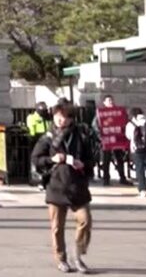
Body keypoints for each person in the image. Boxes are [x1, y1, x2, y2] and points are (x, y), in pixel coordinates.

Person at [32, 103, 95, 274]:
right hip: (56, 185)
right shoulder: (48, 137)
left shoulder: (80, 135)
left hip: (77, 186)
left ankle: (78, 255)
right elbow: (36, 158)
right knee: (57, 227)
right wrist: (52, 159)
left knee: (85, 220)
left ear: (71, 118)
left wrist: (83, 164)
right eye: (58, 116)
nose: (61, 120)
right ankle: (61, 258)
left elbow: (91, 159)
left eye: (65, 117)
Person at [94, 96, 131, 186]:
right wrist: (100, 136)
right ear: (104, 103)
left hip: (117, 140)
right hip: (106, 140)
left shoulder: (119, 112)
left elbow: (125, 122)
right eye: (108, 100)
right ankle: (106, 179)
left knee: (120, 159)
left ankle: (122, 177)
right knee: (106, 160)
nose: (111, 102)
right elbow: (95, 126)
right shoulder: (100, 113)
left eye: (111, 100)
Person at [125, 107, 146, 199]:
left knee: (139, 171)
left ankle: (142, 190)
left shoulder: (130, 124)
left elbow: (128, 136)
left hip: (136, 150)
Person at [26, 102, 51, 190]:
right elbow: (32, 130)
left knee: (47, 162)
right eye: (43, 111)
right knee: (37, 162)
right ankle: (37, 180)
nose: (45, 112)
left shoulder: (48, 118)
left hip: (47, 141)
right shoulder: (32, 118)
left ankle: (45, 181)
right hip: (36, 140)